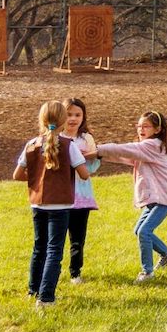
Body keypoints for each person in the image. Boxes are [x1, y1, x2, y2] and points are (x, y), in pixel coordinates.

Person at [12, 100, 90, 309]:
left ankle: (33, 289)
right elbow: (84, 174)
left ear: (42, 120)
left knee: (39, 248)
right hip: (61, 205)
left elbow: (17, 175)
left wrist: (37, 178)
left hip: (38, 204)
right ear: (64, 121)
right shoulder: (68, 146)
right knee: (54, 250)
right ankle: (46, 297)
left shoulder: (31, 144)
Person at [89, 111, 167, 283]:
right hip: (155, 198)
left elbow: (123, 149)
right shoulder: (146, 148)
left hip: (163, 199)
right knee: (139, 230)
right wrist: (100, 155)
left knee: (145, 232)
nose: (141, 129)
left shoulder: (153, 145)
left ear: (158, 129)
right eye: (139, 126)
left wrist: (98, 150)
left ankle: (147, 273)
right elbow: (124, 155)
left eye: (146, 126)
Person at [62, 97, 101, 284]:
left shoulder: (86, 139)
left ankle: (75, 273)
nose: (73, 119)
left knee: (78, 238)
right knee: (57, 237)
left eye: (77, 115)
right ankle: (51, 269)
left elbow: (93, 167)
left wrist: (84, 161)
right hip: (60, 196)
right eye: (69, 114)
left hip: (82, 196)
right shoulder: (56, 138)